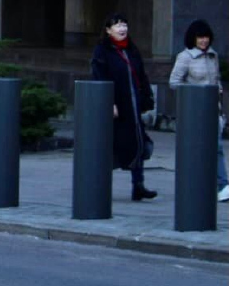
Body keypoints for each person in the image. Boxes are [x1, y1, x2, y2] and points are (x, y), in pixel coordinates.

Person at [90, 13, 157, 201]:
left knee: (137, 143)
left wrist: (146, 97)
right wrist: (108, 102)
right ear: (108, 30)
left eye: (124, 24)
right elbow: (99, 77)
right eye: (117, 25)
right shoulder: (102, 51)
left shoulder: (131, 49)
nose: (122, 28)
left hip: (132, 106)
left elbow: (141, 74)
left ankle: (138, 185)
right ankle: (98, 187)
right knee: (112, 146)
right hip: (115, 108)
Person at [168, 19, 229, 202]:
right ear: (193, 38)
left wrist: (217, 90)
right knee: (196, 150)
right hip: (194, 110)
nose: (204, 41)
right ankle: (197, 185)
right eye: (200, 37)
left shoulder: (213, 56)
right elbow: (174, 82)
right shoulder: (185, 57)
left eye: (206, 37)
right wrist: (194, 93)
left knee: (216, 148)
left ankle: (222, 184)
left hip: (213, 110)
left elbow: (216, 78)